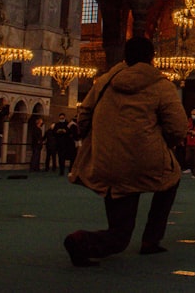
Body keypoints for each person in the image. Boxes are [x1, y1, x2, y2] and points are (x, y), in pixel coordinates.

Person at [64, 36, 187, 267]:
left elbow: (83, 116)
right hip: (147, 160)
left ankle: (81, 241)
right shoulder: (161, 84)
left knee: (120, 232)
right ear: (152, 57)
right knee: (172, 178)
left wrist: (99, 138)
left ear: (125, 57)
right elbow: (178, 128)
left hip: (106, 161)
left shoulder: (103, 82)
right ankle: (151, 240)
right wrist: (164, 143)